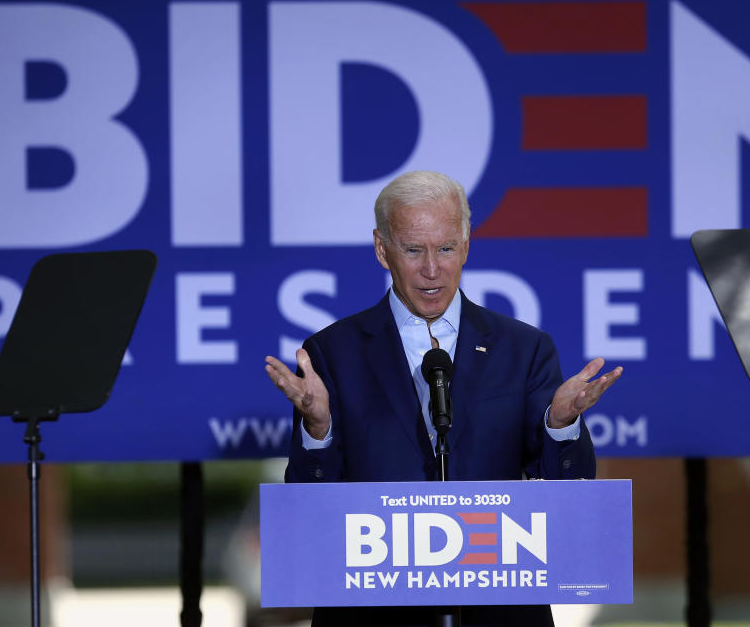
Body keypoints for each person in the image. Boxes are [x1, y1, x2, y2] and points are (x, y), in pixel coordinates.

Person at [265, 170, 622, 627]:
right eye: (413, 250)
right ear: (382, 250)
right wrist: (319, 429)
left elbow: (567, 489)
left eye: (446, 249)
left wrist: (560, 424)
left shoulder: (524, 349)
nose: (432, 269)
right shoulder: (331, 353)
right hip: (374, 614)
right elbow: (307, 504)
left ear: (466, 247)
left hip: (497, 613)